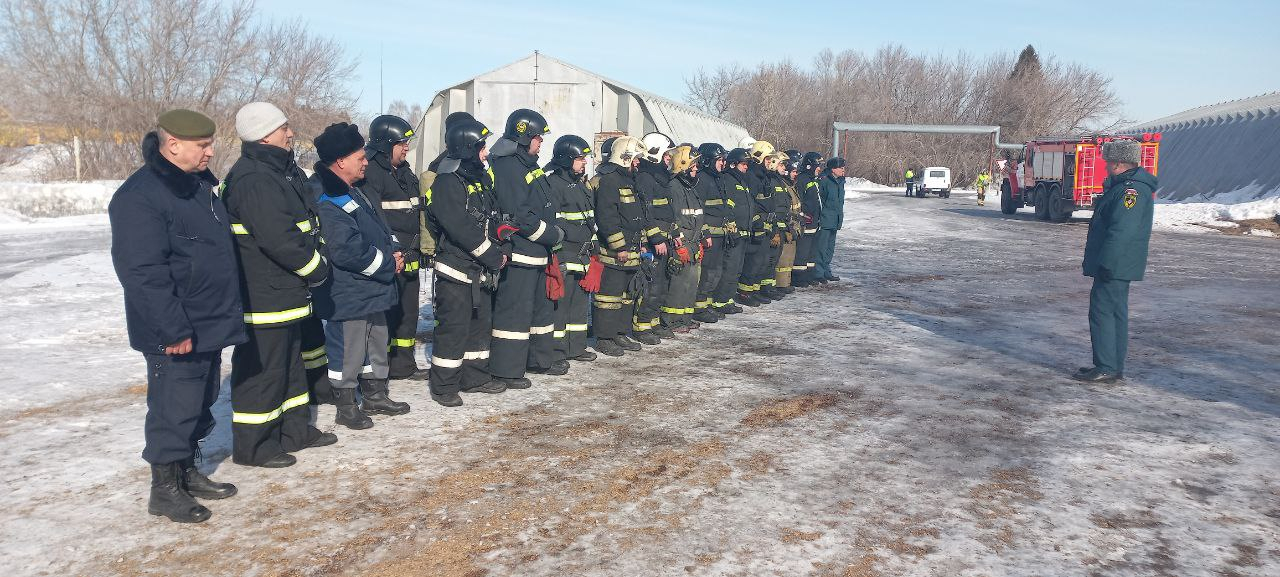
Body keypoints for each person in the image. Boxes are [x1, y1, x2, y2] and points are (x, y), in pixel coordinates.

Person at [109, 109, 243, 523]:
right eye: (203, 145)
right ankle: (164, 490)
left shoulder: (199, 186)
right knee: (173, 407)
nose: (211, 151)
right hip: (177, 328)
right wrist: (172, 329)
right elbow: (142, 272)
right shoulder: (141, 196)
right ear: (173, 145)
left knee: (200, 402)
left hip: (208, 320)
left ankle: (187, 471)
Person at [222, 102, 337, 468]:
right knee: (264, 373)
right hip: (264, 295)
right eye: (284, 127)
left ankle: (294, 431)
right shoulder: (254, 179)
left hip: (286, 293)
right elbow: (279, 239)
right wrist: (316, 268)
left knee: (289, 367)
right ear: (264, 133)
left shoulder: (279, 171)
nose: (290, 133)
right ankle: (255, 447)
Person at [310, 122, 406, 430]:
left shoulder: (356, 190)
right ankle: (346, 405)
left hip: (372, 289)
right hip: (349, 293)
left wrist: (394, 249)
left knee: (377, 342)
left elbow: (379, 227)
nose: (365, 162)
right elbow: (347, 250)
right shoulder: (326, 196)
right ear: (340, 161)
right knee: (348, 350)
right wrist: (388, 265)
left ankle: (375, 394)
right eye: (359, 157)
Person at [422, 118, 509, 406]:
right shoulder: (448, 182)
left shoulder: (480, 179)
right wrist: (491, 254)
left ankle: (475, 377)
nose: (486, 153)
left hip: (480, 272)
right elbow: (458, 226)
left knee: (480, 327)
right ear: (468, 149)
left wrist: (502, 240)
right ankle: (444, 386)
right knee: (453, 329)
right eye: (482, 148)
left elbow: (491, 216)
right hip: (456, 271)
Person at [488, 109, 566, 387]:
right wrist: (551, 234)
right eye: (537, 137)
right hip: (521, 252)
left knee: (540, 313)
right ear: (523, 137)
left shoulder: (528, 163)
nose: (541, 142)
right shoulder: (508, 165)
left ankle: (539, 360)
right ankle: (507, 370)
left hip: (538, 253)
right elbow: (519, 213)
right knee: (514, 315)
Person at [1074, 139, 1155, 383]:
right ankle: (1111, 365)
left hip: (1115, 263)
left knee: (1103, 312)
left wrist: (1107, 262)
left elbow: (1123, 230)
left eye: (1109, 162)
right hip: (1119, 262)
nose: (1107, 166)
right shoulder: (1128, 187)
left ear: (1119, 163)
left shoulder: (1130, 191)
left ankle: (1107, 366)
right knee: (1115, 312)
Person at [363, 114, 426, 381]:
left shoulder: (404, 171)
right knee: (384, 317)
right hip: (389, 258)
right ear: (385, 144)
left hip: (410, 256)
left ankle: (403, 366)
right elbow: (373, 217)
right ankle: (380, 369)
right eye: (401, 143)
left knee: (407, 314)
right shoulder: (372, 174)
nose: (406, 147)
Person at [592, 135, 647, 356]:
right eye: (635, 158)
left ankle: (620, 333)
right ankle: (605, 338)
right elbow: (607, 218)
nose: (637, 162)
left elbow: (635, 215)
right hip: (615, 254)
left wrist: (640, 243)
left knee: (627, 296)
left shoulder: (628, 179)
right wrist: (620, 247)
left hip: (631, 252)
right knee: (608, 297)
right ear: (624, 157)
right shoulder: (609, 180)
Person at [545, 135, 599, 363]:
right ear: (566, 159)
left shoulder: (580, 185)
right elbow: (554, 222)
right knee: (561, 307)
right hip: (565, 255)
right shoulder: (553, 185)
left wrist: (594, 245)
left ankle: (576, 347)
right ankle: (556, 352)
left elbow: (588, 219)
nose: (584, 162)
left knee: (579, 306)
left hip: (584, 255)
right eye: (580, 158)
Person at [633, 132, 677, 343]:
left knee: (662, 283)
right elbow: (645, 213)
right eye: (667, 154)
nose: (669, 158)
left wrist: (674, 234)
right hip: (652, 243)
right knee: (650, 284)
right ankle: (641, 327)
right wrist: (656, 239)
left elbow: (667, 211)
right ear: (655, 154)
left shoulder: (661, 179)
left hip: (664, 239)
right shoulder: (644, 178)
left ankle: (654, 321)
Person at [659, 144, 705, 332]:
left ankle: (685, 318)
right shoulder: (674, 187)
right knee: (678, 284)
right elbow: (672, 217)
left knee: (691, 283)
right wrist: (679, 243)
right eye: (693, 165)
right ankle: (672, 320)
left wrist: (700, 239)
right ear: (683, 165)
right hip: (682, 243)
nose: (696, 169)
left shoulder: (691, 188)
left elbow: (698, 215)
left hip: (694, 242)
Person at [692, 143, 731, 323]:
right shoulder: (702, 180)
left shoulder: (718, 179)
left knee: (715, 273)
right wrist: (705, 233)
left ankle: (706, 306)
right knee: (707, 273)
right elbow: (699, 210)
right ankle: (699, 309)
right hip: (709, 237)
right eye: (720, 160)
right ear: (708, 161)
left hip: (720, 235)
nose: (723, 163)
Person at [712, 148, 754, 315]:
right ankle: (720, 301)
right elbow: (727, 209)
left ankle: (727, 299)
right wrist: (732, 230)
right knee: (729, 269)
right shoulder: (728, 180)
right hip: (734, 235)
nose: (746, 167)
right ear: (734, 164)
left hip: (744, 234)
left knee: (736, 270)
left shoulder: (742, 182)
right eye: (743, 164)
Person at [737, 140, 776, 306]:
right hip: (756, 228)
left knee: (761, 261)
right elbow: (750, 203)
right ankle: (745, 293)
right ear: (759, 158)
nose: (770, 162)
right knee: (753, 262)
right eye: (768, 159)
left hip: (765, 227)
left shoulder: (763, 176)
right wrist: (757, 223)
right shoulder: (753, 177)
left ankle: (754, 290)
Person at [792, 152, 824, 287]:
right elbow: (800, 200)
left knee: (812, 252)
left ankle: (809, 275)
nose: (819, 168)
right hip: (806, 222)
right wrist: (804, 215)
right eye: (818, 165)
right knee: (802, 252)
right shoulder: (802, 179)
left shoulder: (814, 180)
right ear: (810, 166)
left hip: (815, 222)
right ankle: (798, 278)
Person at [772, 153, 803, 293]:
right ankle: (781, 284)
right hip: (786, 226)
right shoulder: (783, 185)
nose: (796, 175)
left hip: (792, 227)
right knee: (783, 258)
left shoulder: (791, 185)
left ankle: (785, 282)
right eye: (794, 171)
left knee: (789, 257)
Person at [814, 157, 847, 283]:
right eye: (841, 168)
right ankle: (818, 273)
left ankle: (826, 271)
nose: (843, 170)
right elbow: (819, 201)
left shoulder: (840, 181)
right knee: (821, 248)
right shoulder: (824, 180)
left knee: (830, 248)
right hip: (825, 219)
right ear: (833, 169)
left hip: (835, 220)